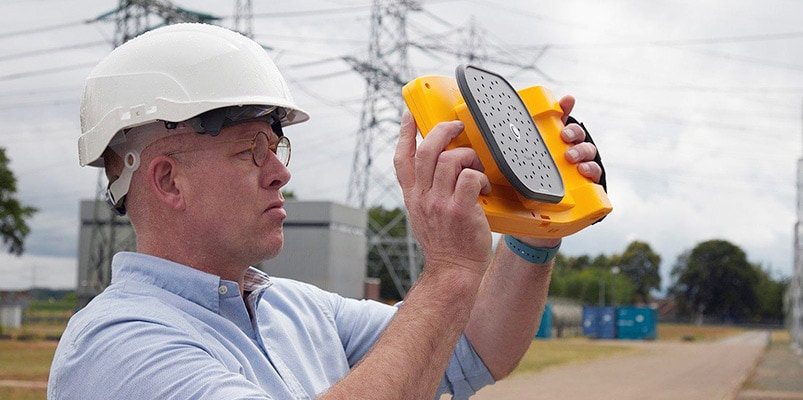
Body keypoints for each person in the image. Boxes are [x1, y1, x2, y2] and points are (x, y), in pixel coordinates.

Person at [48, 23, 603, 399]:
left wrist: (535, 224)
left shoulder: (295, 310)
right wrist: (452, 272)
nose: (280, 172)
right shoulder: (116, 344)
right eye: (251, 150)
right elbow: (449, 315)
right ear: (168, 180)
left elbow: (474, 347)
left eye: (278, 146)